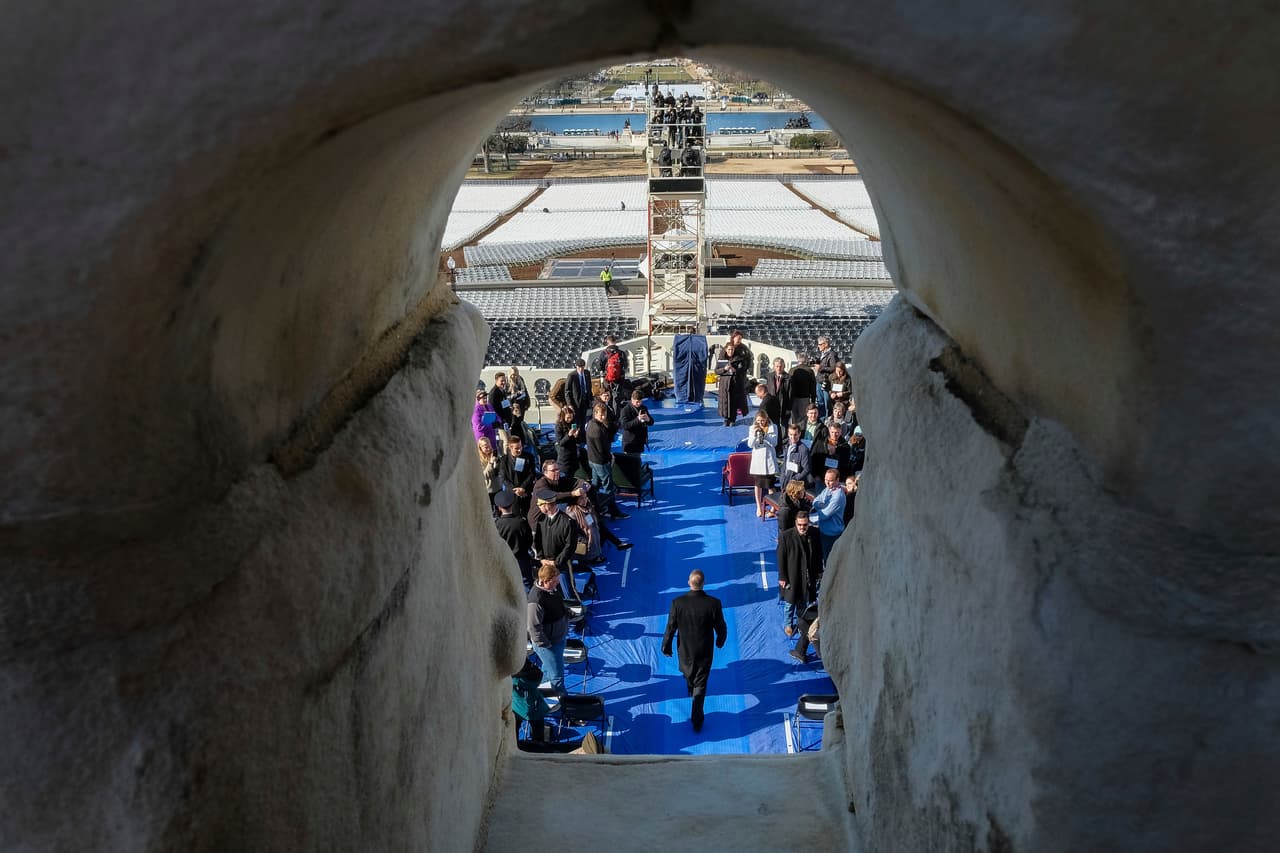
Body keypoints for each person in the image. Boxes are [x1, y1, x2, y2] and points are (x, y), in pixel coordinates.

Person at [661, 569, 727, 733]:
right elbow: (720, 626)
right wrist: (720, 640)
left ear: (689, 582)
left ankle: (691, 690)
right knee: (701, 683)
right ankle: (697, 718)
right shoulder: (714, 603)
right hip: (704, 651)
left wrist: (666, 646)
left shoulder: (677, 603)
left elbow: (670, 627)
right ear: (703, 584)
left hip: (685, 650)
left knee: (689, 673)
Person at [527, 560, 570, 696]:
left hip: (557, 638)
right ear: (546, 581)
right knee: (557, 676)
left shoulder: (552, 588)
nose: (558, 582)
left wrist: (567, 612)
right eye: (555, 580)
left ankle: (541, 692)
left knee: (548, 669)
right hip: (548, 644)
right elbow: (533, 627)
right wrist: (545, 645)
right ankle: (562, 703)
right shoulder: (536, 600)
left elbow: (558, 604)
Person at [777, 511, 823, 637]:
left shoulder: (814, 533)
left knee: (803, 601)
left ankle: (801, 623)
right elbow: (781, 558)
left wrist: (819, 571)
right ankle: (788, 624)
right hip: (793, 574)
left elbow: (818, 554)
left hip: (809, 574)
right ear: (795, 524)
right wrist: (782, 577)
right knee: (790, 602)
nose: (803, 527)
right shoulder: (786, 536)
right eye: (800, 525)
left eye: (805, 525)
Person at [532, 491, 579, 599]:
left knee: (568, 590)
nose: (538, 506)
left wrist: (556, 562)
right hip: (545, 562)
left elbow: (570, 546)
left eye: (540, 504)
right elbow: (537, 540)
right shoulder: (541, 520)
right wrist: (541, 558)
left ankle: (575, 610)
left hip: (561, 564)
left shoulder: (568, 522)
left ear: (547, 505)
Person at [586, 402, 628, 520]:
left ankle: (594, 506)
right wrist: (609, 459)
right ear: (595, 414)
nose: (603, 417)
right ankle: (613, 511)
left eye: (604, 415)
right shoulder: (598, 430)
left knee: (595, 484)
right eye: (601, 415)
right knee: (608, 487)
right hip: (601, 462)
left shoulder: (590, 424)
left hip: (592, 460)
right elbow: (602, 449)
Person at [494, 489, 534, 588]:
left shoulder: (497, 525)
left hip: (504, 560)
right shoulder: (521, 522)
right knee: (527, 584)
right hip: (522, 559)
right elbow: (529, 541)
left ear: (499, 507)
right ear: (512, 505)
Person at [497, 433, 539, 518]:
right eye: (516, 448)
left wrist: (523, 488)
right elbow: (503, 478)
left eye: (520, 447)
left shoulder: (528, 457)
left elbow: (532, 474)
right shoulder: (504, 460)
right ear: (510, 448)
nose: (520, 450)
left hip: (526, 493)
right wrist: (516, 491)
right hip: (512, 496)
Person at [810, 469, 847, 566]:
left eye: (830, 480)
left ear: (837, 480)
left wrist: (811, 516)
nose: (827, 482)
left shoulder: (838, 496)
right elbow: (816, 501)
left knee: (830, 562)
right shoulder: (828, 489)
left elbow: (824, 515)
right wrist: (822, 506)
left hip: (832, 534)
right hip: (824, 531)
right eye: (826, 479)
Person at [746, 411, 778, 518]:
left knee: (770, 485)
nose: (761, 423)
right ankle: (759, 507)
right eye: (758, 421)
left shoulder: (773, 427)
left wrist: (765, 436)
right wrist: (755, 435)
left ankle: (773, 508)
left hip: (769, 459)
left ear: (766, 418)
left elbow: (774, 443)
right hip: (758, 461)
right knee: (758, 485)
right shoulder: (752, 428)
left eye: (763, 420)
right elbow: (750, 444)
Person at [715, 343, 748, 427]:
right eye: (729, 349)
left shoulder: (739, 359)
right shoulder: (722, 359)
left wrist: (734, 369)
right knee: (725, 402)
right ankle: (726, 419)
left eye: (732, 349)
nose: (730, 351)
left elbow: (743, 370)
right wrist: (724, 369)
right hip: (724, 384)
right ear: (726, 349)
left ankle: (733, 419)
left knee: (733, 402)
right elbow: (716, 371)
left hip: (735, 384)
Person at [591, 335, 629, 402]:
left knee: (607, 398)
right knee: (617, 399)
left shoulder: (603, 353)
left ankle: (609, 411)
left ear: (607, 343)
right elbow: (625, 366)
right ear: (615, 341)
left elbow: (599, 367)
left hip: (607, 380)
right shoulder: (621, 353)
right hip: (619, 380)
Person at [779, 423, 811, 493]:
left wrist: (794, 479)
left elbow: (806, 469)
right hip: (785, 481)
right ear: (788, 434)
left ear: (799, 434)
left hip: (796, 486)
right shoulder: (787, 446)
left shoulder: (804, 449)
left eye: (795, 434)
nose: (793, 437)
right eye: (791, 434)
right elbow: (785, 463)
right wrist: (782, 477)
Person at [787, 353, 818, 427]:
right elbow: (813, 387)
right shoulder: (810, 371)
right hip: (805, 399)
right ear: (806, 359)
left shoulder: (791, 370)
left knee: (794, 419)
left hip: (793, 398)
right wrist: (813, 400)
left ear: (798, 359)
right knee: (803, 420)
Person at [620, 389, 653, 454]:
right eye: (637, 402)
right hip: (630, 443)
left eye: (641, 401)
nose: (639, 403)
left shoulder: (643, 408)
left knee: (638, 460)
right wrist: (638, 419)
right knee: (630, 461)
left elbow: (651, 422)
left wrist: (648, 419)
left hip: (640, 441)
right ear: (632, 399)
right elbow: (625, 426)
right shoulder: (626, 410)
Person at [553, 406, 584, 474]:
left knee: (573, 473)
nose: (570, 419)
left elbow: (578, 441)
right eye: (568, 418)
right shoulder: (559, 426)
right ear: (563, 416)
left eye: (571, 417)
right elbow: (560, 442)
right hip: (564, 456)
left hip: (573, 455)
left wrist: (577, 436)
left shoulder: (573, 424)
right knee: (564, 474)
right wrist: (569, 435)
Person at [476, 436, 503, 512]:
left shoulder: (494, 454)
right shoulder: (479, 460)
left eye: (489, 446)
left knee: (500, 510)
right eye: (486, 447)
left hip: (498, 487)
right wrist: (490, 463)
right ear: (480, 448)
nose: (489, 448)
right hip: (488, 490)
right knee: (489, 511)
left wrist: (498, 462)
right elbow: (484, 475)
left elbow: (500, 470)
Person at [565, 358, 593, 428]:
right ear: (576, 367)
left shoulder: (587, 373)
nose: (581, 369)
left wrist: (591, 399)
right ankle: (575, 434)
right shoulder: (571, 375)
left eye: (582, 367)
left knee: (584, 420)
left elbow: (589, 387)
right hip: (576, 402)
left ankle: (583, 435)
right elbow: (567, 391)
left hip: (585, 400)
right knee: (575, 421)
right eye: (579, 367)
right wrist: (569, 404)